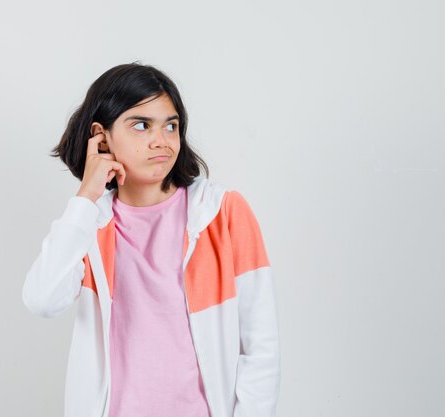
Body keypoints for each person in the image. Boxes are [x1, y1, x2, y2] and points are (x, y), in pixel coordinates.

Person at [22, 62, 280, 417]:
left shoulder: (222, 212)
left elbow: (260, 347)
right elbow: (42, 299)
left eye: (170, 126)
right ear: (102, 136)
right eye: (141, 125)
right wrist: (85, 197)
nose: (161, 141)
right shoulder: (90, 225)